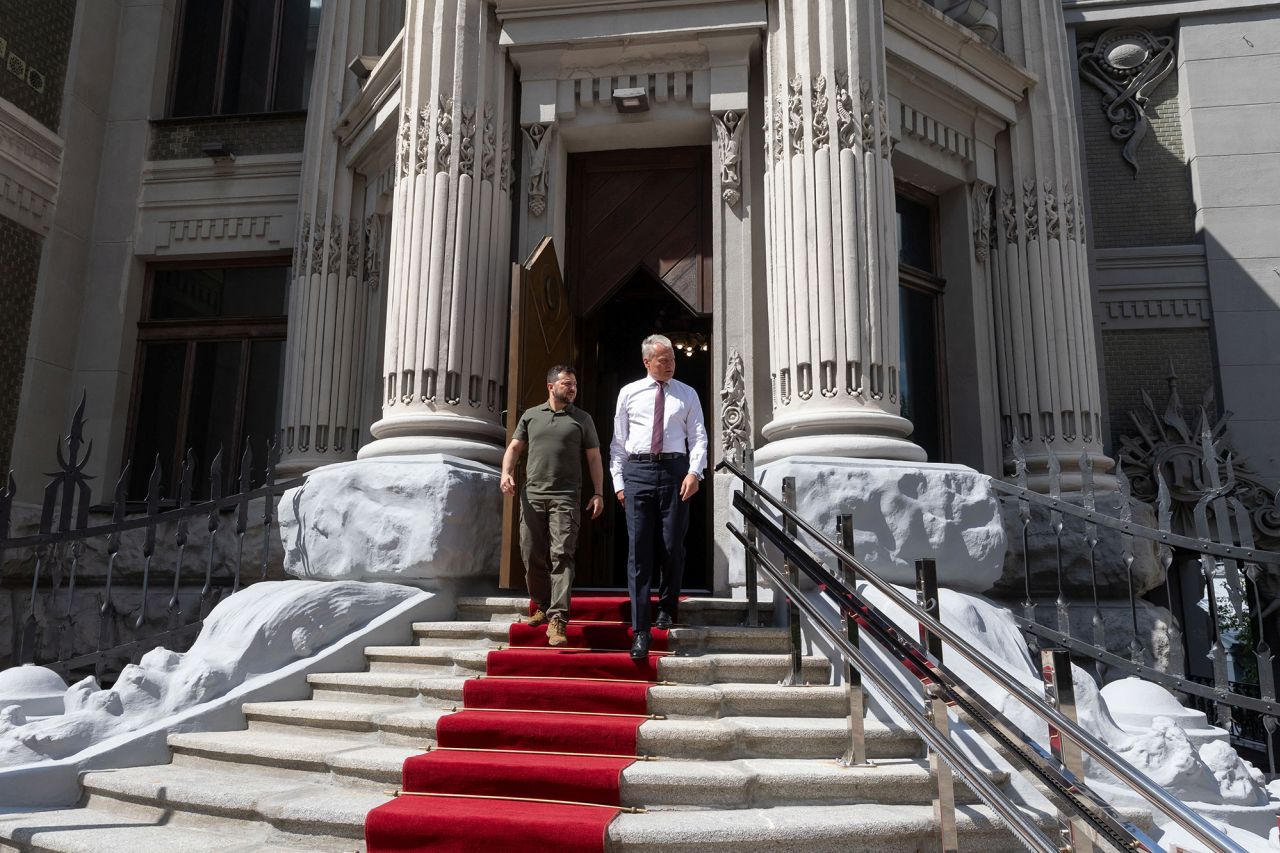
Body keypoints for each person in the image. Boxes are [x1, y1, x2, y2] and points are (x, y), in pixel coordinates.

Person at [610, 334, 708, 660]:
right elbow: (618, 442)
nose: (669, 366)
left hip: (675, 471)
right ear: (646, 361)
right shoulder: (629, 393)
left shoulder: (687, 394)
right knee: (638, 552)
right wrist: (618, 483)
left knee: (671, 545)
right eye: (662, 360)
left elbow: (698, 437)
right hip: (637, 472)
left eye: (672, 360)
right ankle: (641, 631)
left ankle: (667, 606)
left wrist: (695, 472)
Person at [500, 365, 605, 646]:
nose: (572, 389)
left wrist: (598, 493)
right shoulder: (531, 416)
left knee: (562, 555)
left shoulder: (582, 419)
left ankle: (559, 618)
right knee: (530, 552)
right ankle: (542, 605)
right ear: (551, 387)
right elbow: (514, 448)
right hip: (532, 495)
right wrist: (506, 473)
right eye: (566, 384)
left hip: (565, 498)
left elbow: (594, 458)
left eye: (574, 385)